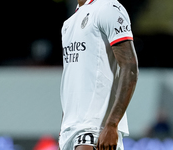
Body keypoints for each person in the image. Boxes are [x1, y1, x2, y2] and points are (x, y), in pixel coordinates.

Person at [59, 0, 138, 150]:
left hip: (96, 126)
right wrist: (63, 128)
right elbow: (71, 79)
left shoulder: (109, 7)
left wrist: (112, 124)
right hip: (69, 129)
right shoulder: (68, 24)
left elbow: (130, 66)